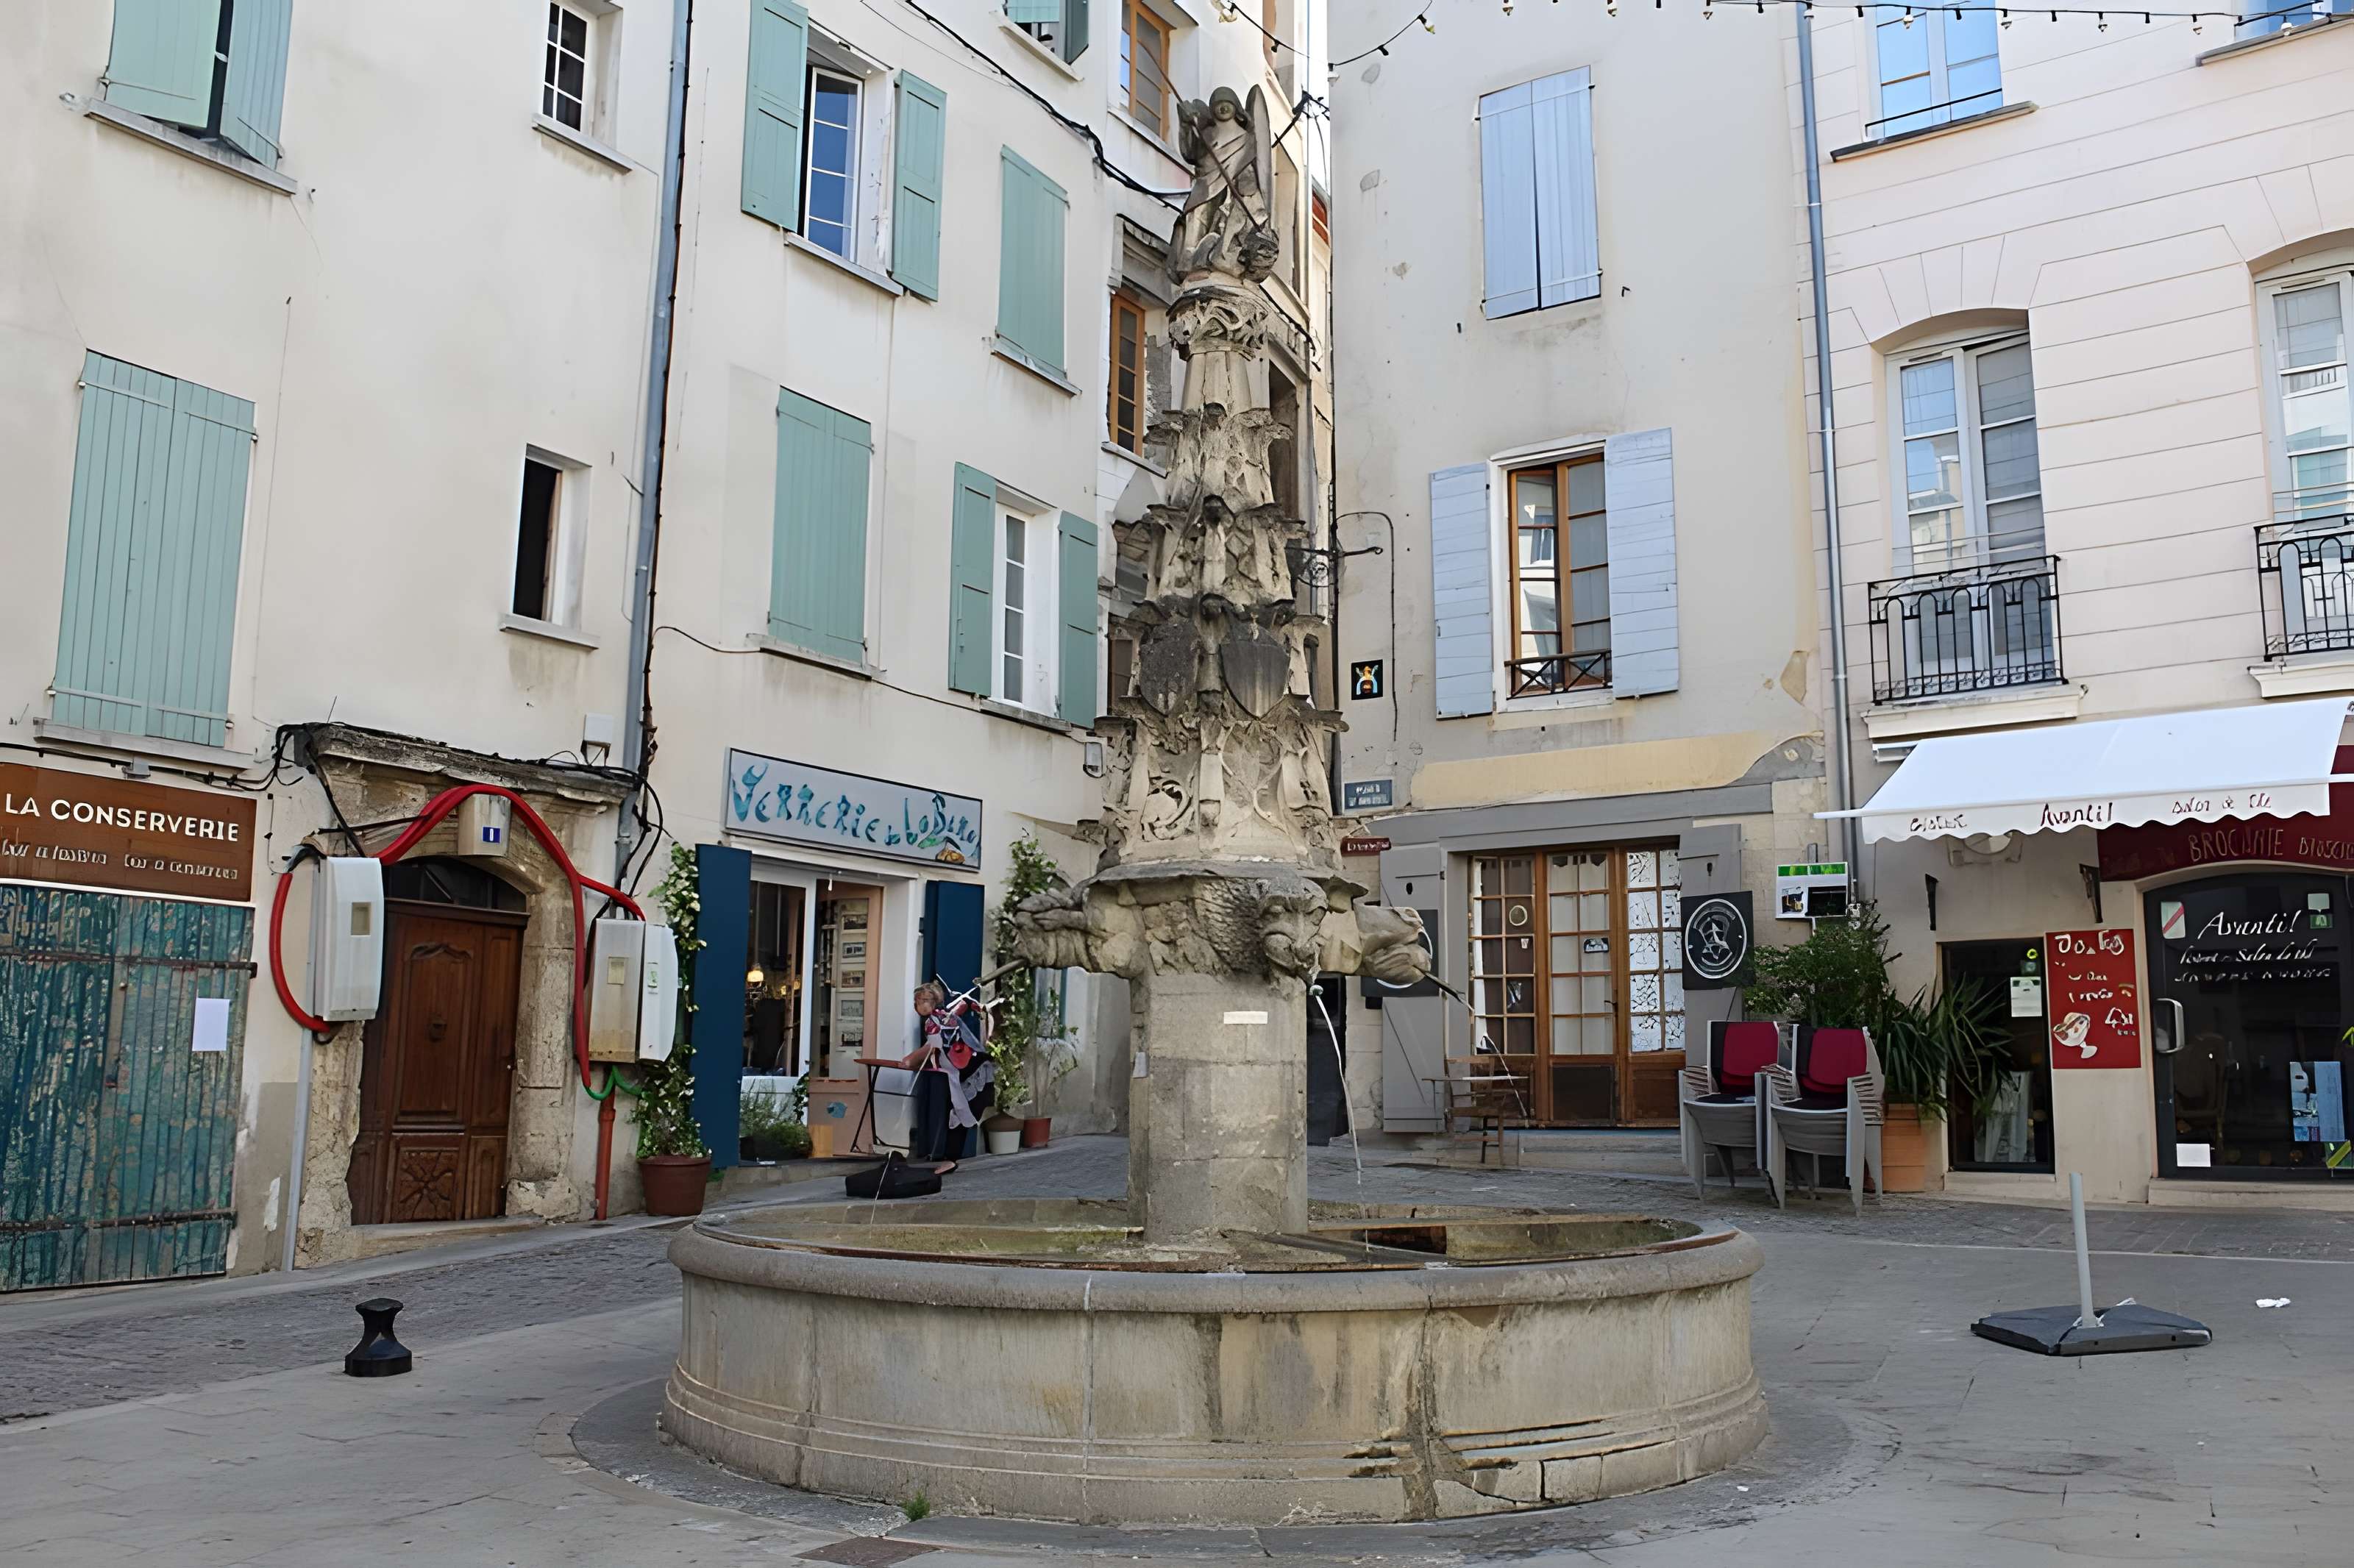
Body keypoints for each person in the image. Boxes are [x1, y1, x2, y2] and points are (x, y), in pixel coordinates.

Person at [905, 981, 996, 1171]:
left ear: (931, 1002)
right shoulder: (946, 1016)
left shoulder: (934, 1021)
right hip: (975, 1068)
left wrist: (909, 1060)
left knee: (959, 1113)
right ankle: (951, 1159)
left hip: (968, 1071)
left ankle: (951, 1159)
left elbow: (932, 1046)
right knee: (958, 1114)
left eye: (920, 1001)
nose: (916, 1005)